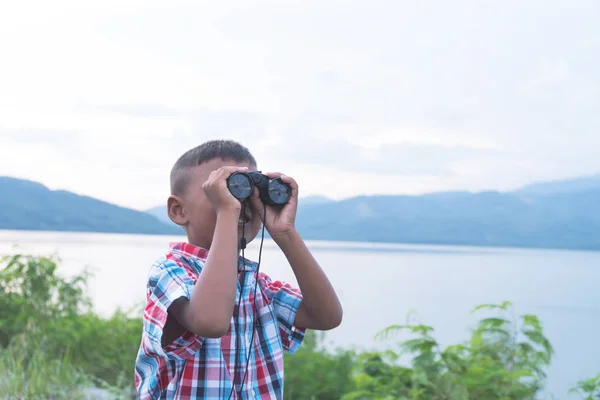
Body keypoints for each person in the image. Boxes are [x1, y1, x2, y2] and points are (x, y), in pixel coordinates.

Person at [134, 139, 343, 399]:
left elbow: (326, 317)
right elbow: (210, 321)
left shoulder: (257, 285)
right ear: (178, 210)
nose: (239, 203)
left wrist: (285, 232)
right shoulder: (170, 272)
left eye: (247, 190)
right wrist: (227, 212)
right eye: (224, 191)